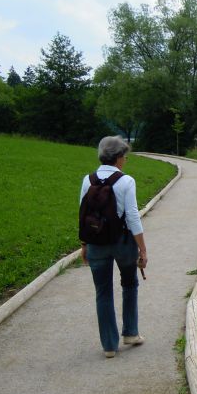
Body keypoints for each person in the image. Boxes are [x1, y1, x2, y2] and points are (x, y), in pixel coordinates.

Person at [79, 136, 148, 358]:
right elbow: (133, 217)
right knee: (129, 284)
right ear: (118, 158)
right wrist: (143, 249)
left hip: (96, 243)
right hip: (123, 243)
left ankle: (109, 345)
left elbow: (83, 215)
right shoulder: (126, 181)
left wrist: (84, 245)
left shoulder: (87, 180)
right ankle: (130, 332)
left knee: (103, 292)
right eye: (124, 156)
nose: (125, 160)